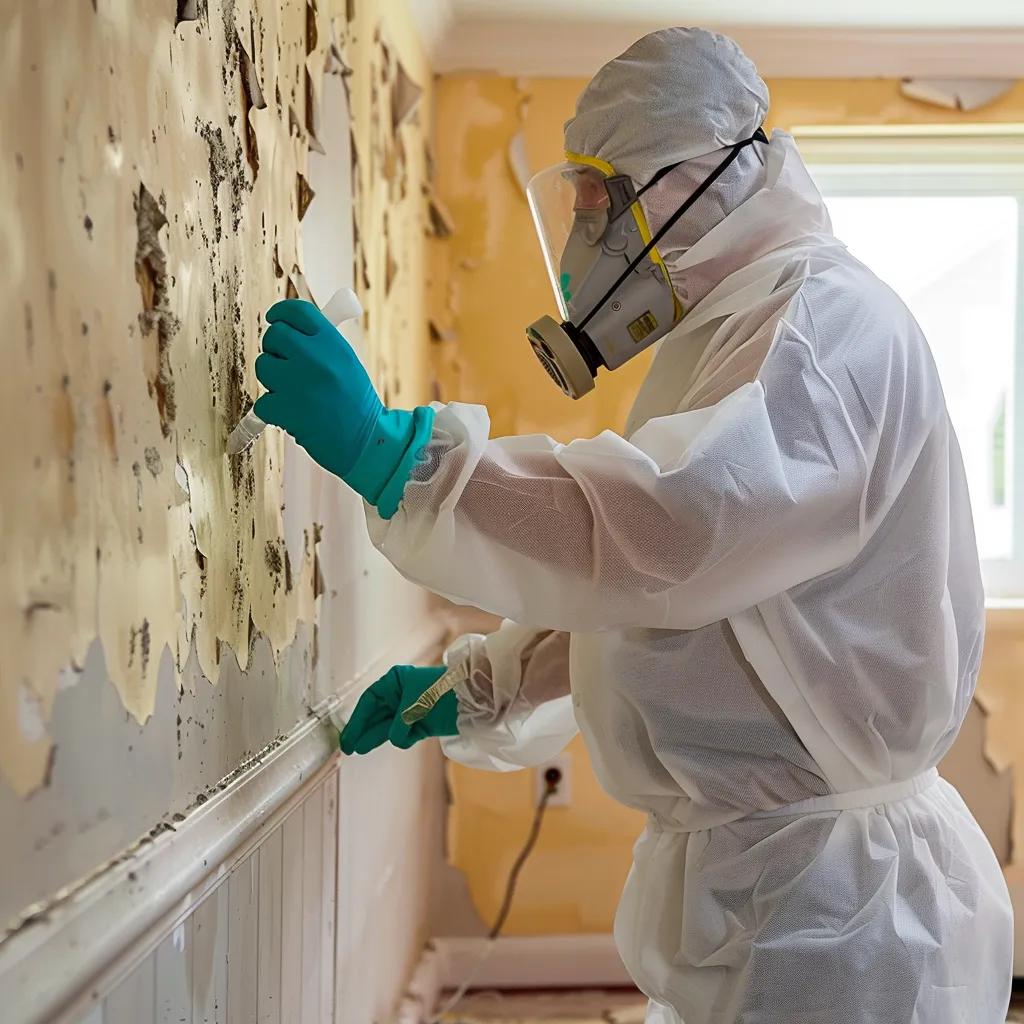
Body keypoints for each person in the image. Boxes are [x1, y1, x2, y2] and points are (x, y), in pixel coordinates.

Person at [251, 26, 1013, 1024]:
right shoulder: (727, 339)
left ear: (693, 185)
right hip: (773, 893)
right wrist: (483, 684)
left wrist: (404, 458)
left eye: (598, 204)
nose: (579, 247)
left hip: (838, 923)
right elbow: (700, 605)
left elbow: (669, 526)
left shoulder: (820, 332)